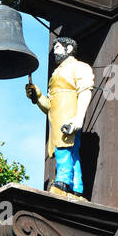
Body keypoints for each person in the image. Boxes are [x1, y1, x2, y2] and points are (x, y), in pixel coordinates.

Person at [25, 36, 94, 197]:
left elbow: (85, 92)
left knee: (64, 149)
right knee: (71, 152)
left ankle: (63, 182)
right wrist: (38, 96)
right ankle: (77, 188)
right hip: (56, 117)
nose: (55, 51)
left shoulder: (79, 67)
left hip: (68, 114)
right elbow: (50, 106)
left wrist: (78, 118)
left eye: (58, 47)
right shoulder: (56, 73)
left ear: (69, 49)